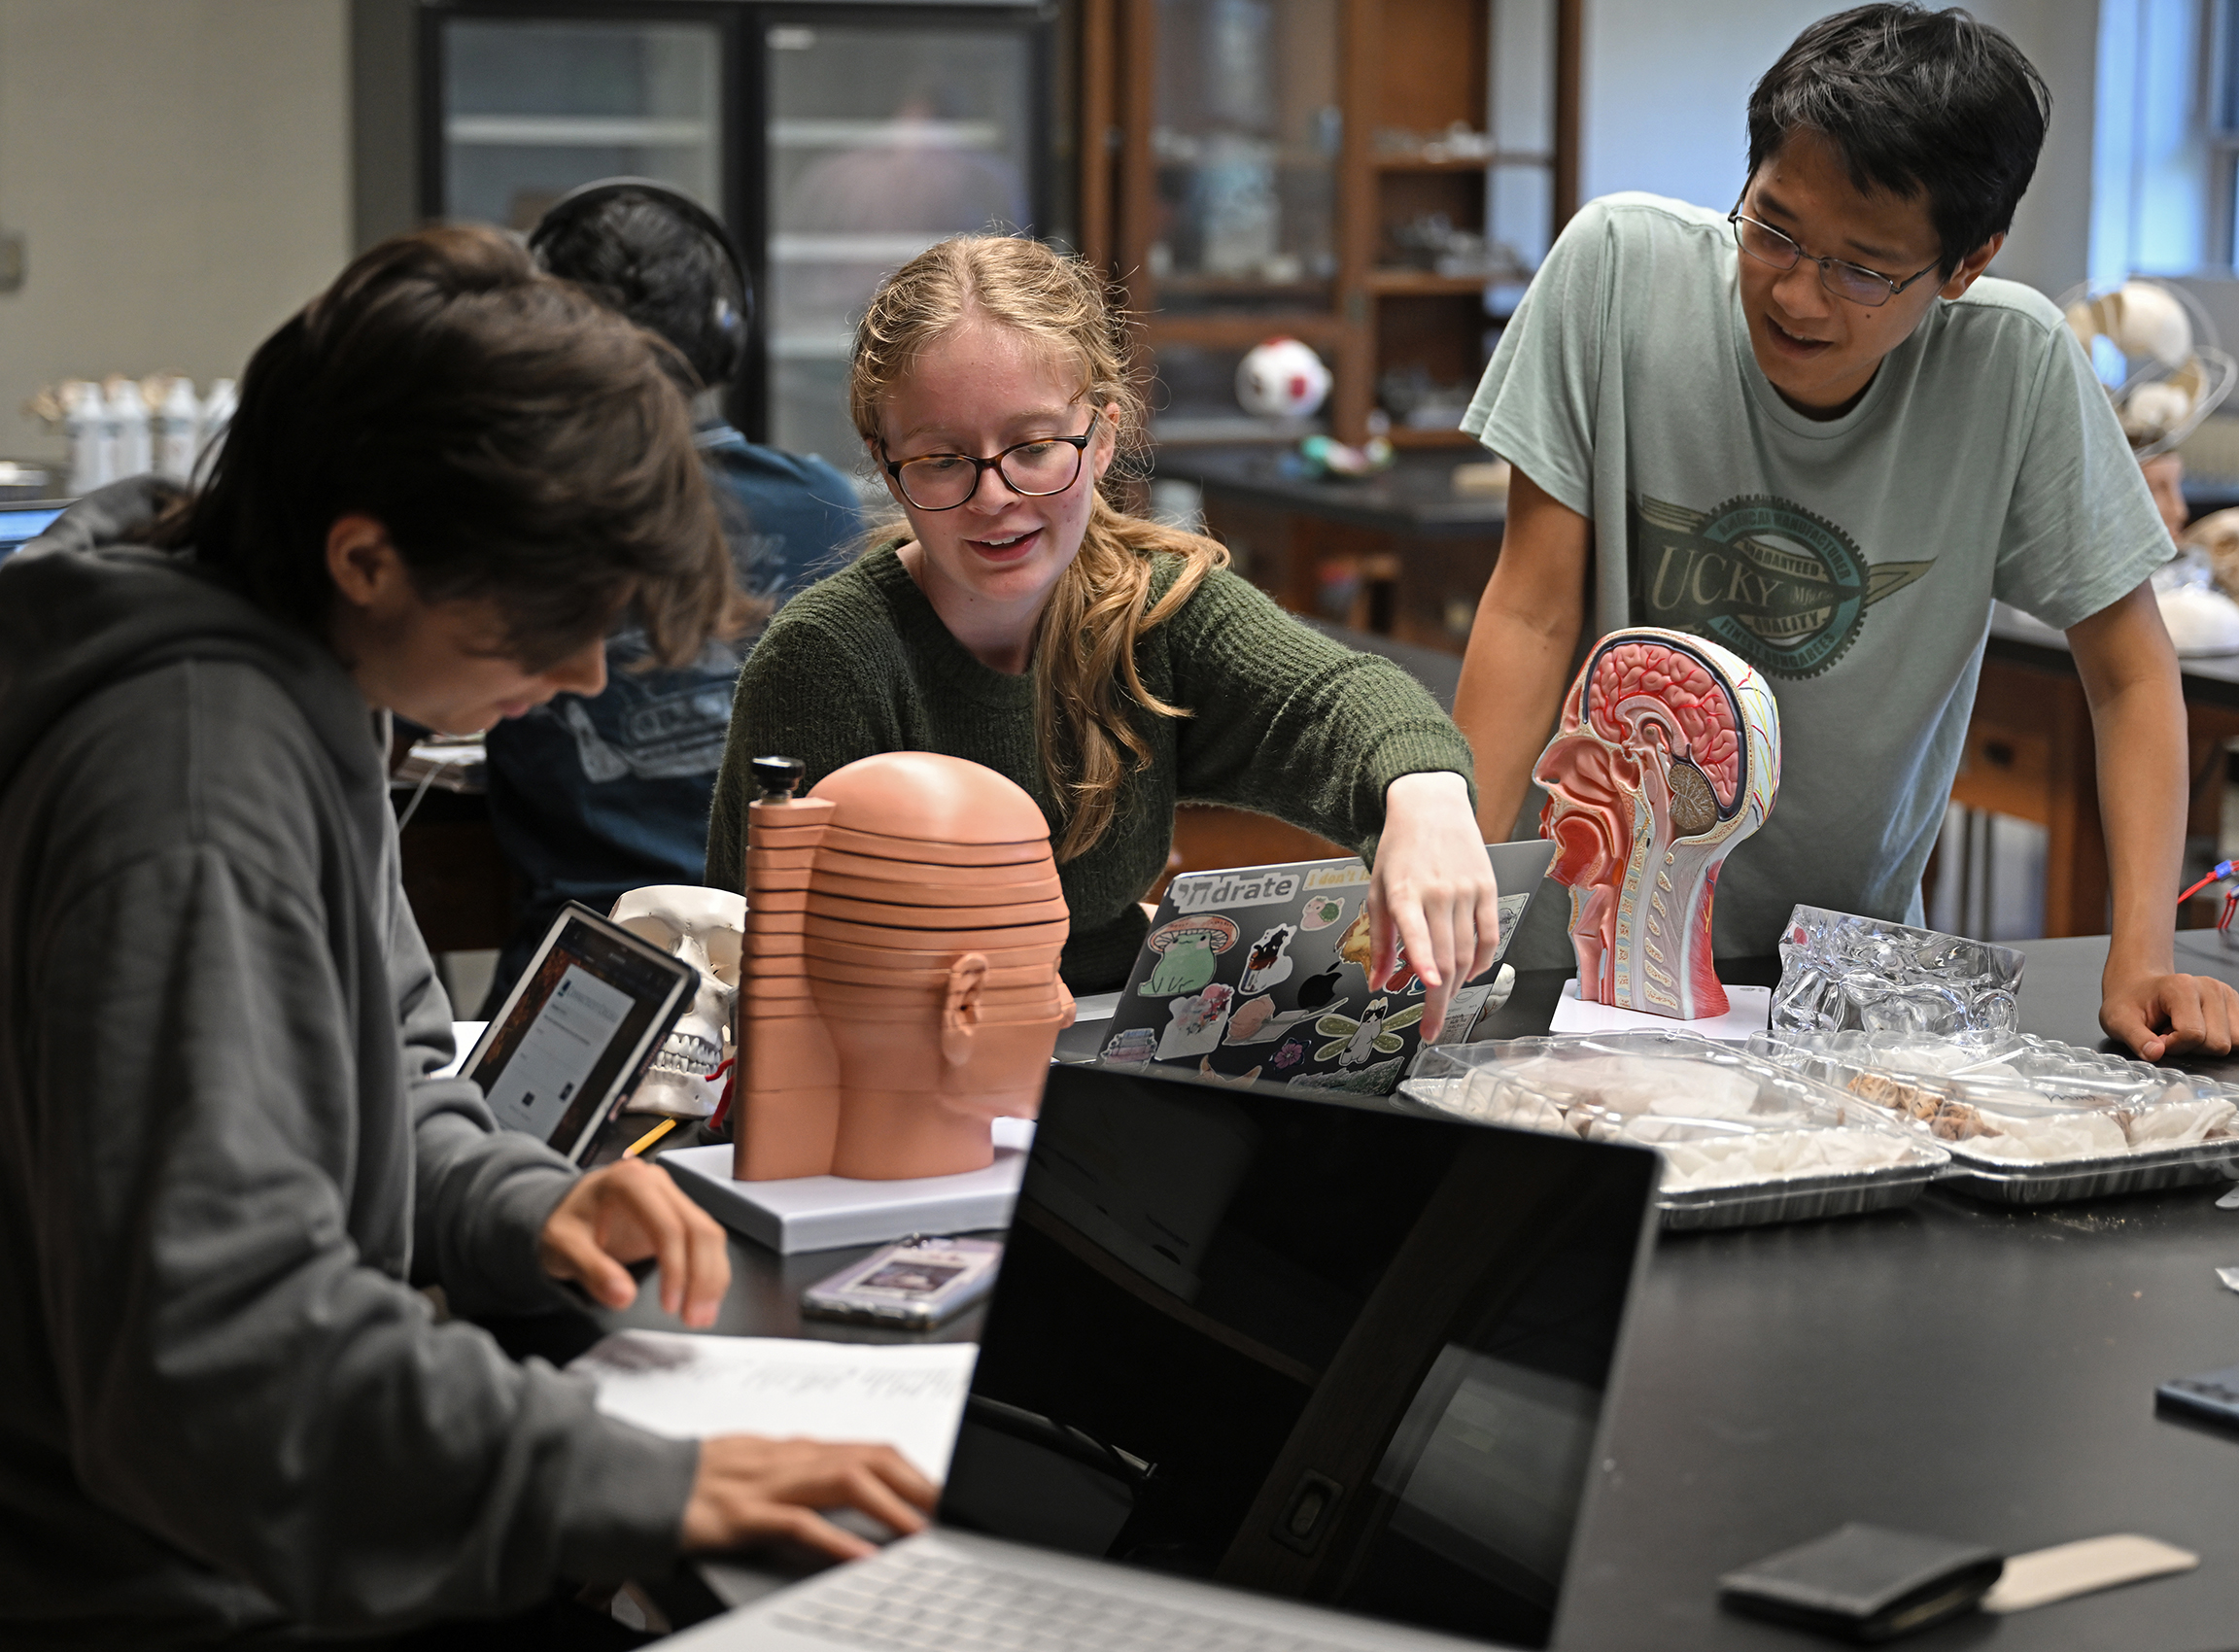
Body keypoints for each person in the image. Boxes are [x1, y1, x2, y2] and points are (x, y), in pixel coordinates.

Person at [0, 226, 931, 1648]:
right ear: (367, 555)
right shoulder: (194, 785)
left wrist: (521, 1204)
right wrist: (642, 1476)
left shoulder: (303, 679)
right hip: (143, 1590)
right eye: (551, 624)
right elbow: (221, 1351)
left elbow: (383, 1068)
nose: (579, 676)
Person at [1453, 2, 2239, 1059]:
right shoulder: (1614, 274)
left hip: (1841, 993)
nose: (1797, 293)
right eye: (1773, 227)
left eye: (1864, 269)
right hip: (1580, 957)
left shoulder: (2013, 367)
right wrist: (1463, 897)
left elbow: (2134, 675)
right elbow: (1532, 609)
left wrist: (2140, 952)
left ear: (1967, 262)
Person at [708, 234, 1500, 1035]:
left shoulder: (1155, 611)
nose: (995, 496)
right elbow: (775, 992)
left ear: (1104, 436)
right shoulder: (827, 662)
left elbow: (1339, 702)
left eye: (1035, 447)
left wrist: (1424, 796)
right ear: (886, 465)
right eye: (943, 459)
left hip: (1101, 1041)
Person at [478, 180, 862, 1010]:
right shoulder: (822, 503)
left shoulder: (504, 517)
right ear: (726, 332)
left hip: (575, 987)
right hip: (784, 984)